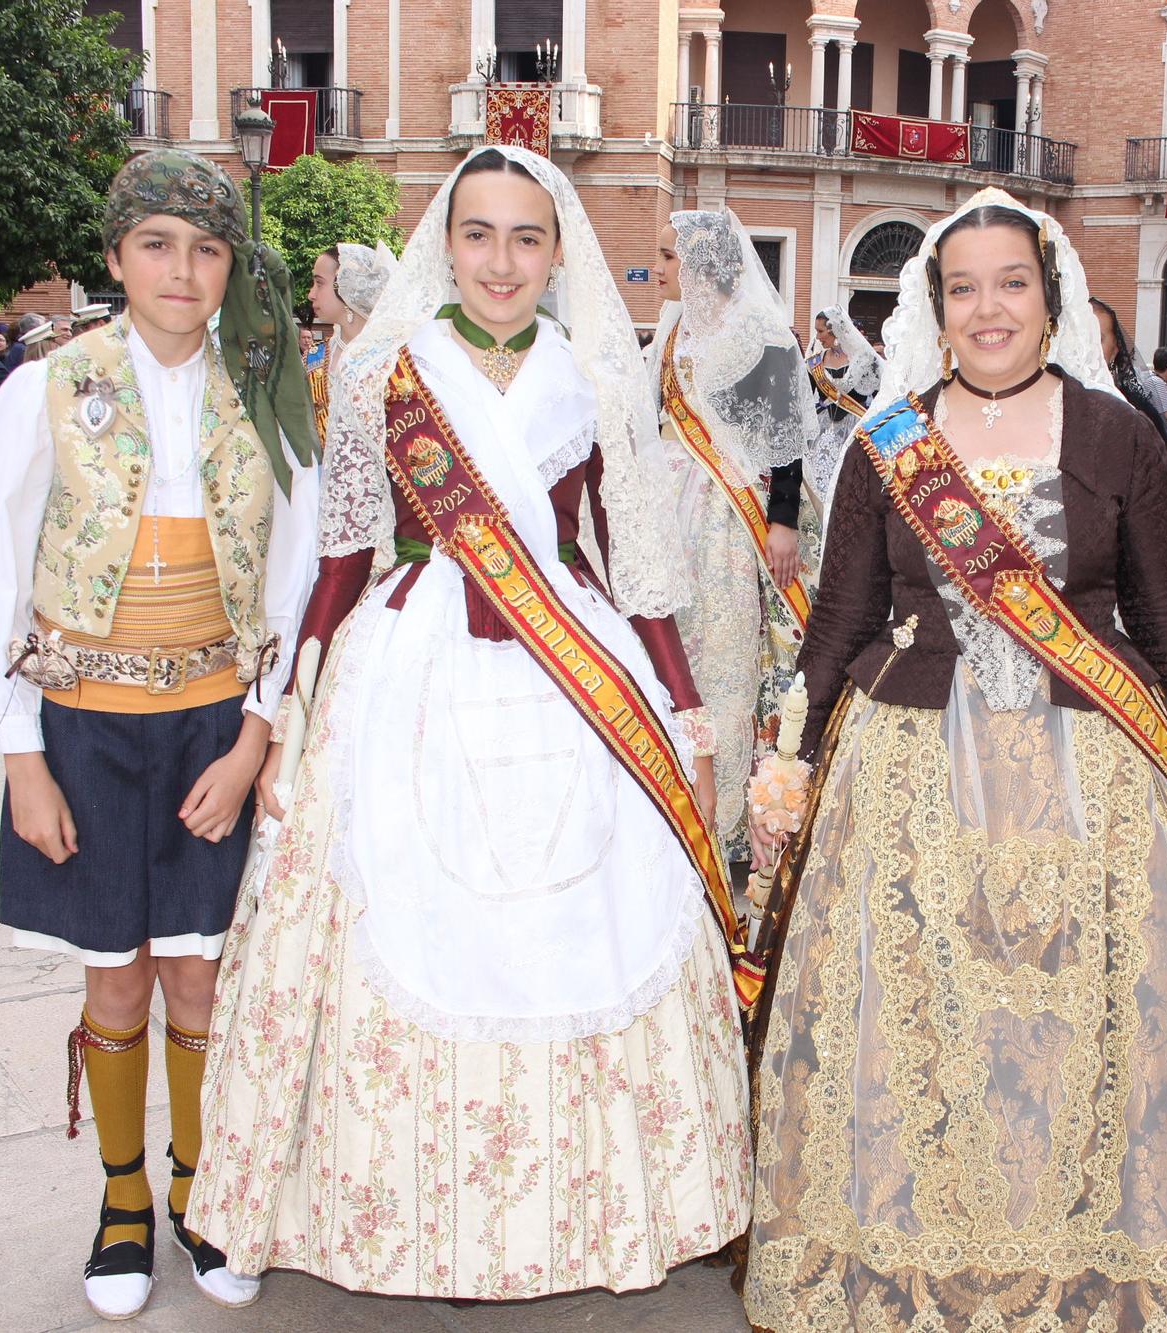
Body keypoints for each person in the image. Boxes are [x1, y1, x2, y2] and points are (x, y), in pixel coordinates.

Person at [188, 146, 754, 1300]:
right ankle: (374, 1215)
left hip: (571, 663)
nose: (501, 261)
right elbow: (345, 549)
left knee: (604, 916)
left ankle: (586, 1220)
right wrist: (291, 699)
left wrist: (683, 710)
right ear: (444, 242)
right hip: (412, 653)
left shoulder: (597, 372)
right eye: (481, 234)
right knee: (374, 906)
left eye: (527, 238)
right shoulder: (382, 370)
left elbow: (635, 563)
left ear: (558, 254)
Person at [743, 187, 1167, 1331]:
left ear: (1050, 299)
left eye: (1011, 284)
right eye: (962, 288)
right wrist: (787, 759)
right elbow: (837, 620)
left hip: (1094, 774)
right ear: (932, 308)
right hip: (909, 774)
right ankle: (917, 1263)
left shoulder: (1114, 435)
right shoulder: (888, 440)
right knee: (922, 1021)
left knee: (1079, 1030)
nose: (987, 309)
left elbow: (1163, 612)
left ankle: (1083, 1260)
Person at [0, 148, 321, 1321]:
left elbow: (297, 572)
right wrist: (21, 753)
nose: (182, 269)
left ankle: (199, 1187)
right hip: (87, 732)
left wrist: (254, 737)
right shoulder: (45, 387)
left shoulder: (267, 391)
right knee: (115, 983)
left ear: (230, 269)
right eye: (156, 245)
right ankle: (119, 1200)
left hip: (214, 720)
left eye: (206, 248)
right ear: (114, 260)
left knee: (202, 973)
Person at [652, 209, 820, 859]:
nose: (659, 269)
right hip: (673, 509)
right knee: (674, 653)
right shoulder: (673, 331)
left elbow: (785, 438)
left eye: (668, 258)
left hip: (731, 519)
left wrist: (781, 522)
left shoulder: (762, 334)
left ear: (701, 267)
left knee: (725, 658)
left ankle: (725, 815)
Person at [304, 241, 398, 442]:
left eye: (319, 283)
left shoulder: (394, 359)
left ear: (347, 286)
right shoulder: (314, 359)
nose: (311, 294)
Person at [805, 302, 883, 496]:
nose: (817, 337)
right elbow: (805, 397)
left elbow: (881, 395)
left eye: (821, 331)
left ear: (835, 331)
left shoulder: (864, 359)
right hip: (822, 431)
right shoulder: (815, 361)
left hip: (855, 428)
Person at [1091, 295, 1167, 443]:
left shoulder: (1136, 411)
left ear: (1115, 350)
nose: (1088, 345)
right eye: (1079, 336)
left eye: (1098, 338)